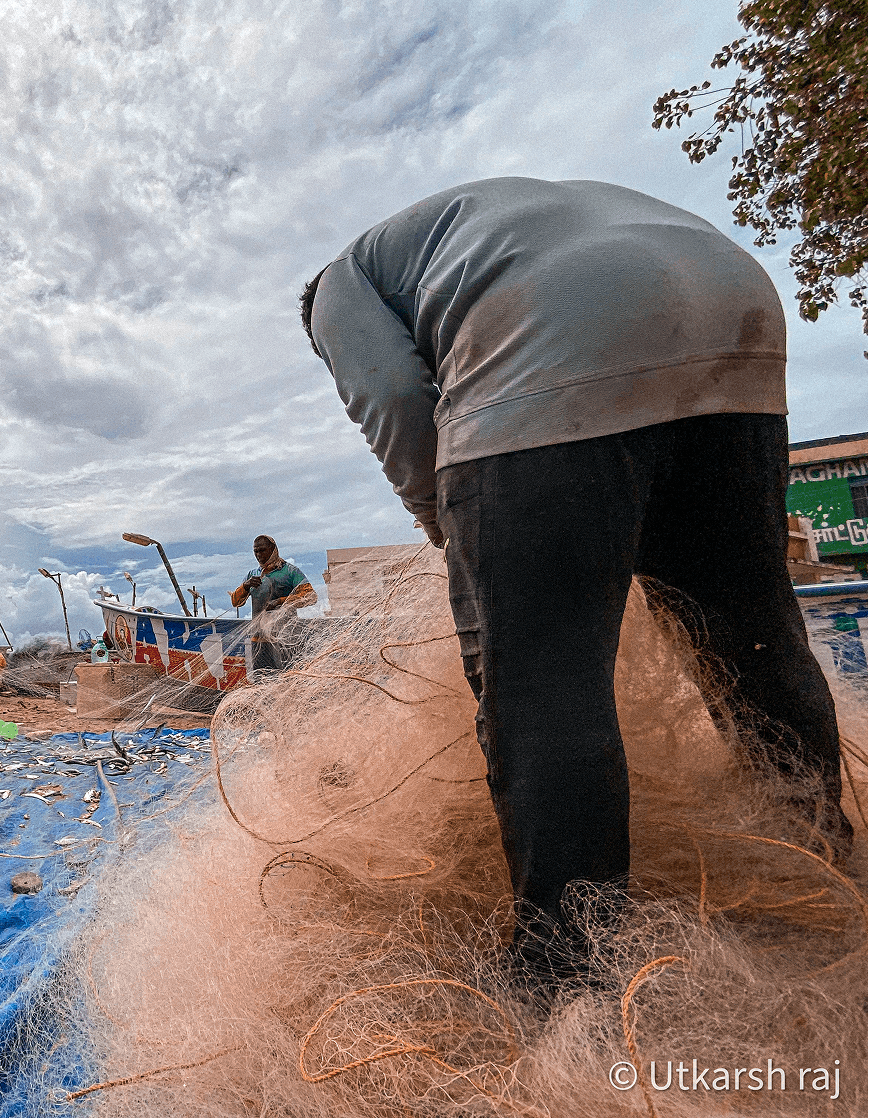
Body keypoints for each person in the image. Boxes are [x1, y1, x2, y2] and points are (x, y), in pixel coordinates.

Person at [300, 177, 852, 984]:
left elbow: (389, 394)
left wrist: (448, 519)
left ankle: (565, 963)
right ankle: (819, 868)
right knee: (751, 636)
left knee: (543, 681)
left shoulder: (335, 286)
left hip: (554, 328)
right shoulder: (481, 221)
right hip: (732, 311)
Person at [231, 535, 317, 670]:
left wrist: (281, 602)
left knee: (288, 679)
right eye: (256, 551)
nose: (259, 555)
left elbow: (311, 596)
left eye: (263, 550)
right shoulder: (252, 574)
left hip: (286, 638)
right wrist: (246, 586)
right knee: (262, 680)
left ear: (273, 549)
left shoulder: (290, 571)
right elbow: (235, 602)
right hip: (259, 640)